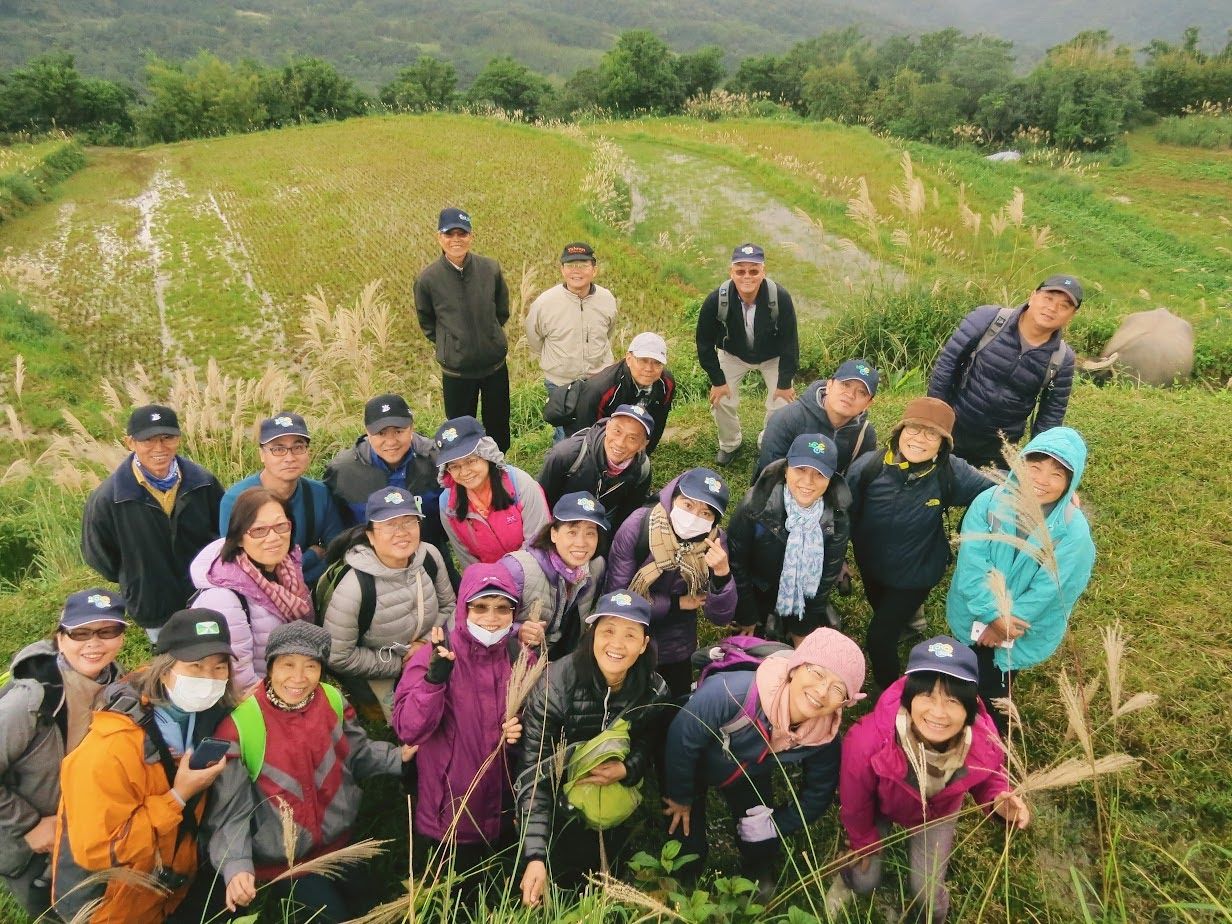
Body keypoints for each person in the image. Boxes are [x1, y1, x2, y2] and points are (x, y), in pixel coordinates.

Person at [206, 622, 408, 923]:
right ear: (270, 666)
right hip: (285, 864)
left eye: (311, 666)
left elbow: (358, 754)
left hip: (340, 845)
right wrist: (237, 866)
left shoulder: (332, 700)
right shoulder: (240, 726)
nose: (299, 678)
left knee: (382, 907)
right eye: (288, 664)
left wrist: (399, 757)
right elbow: (229, 812)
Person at [51, 607, 238, 924]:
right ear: (164, 670)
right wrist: (177, 796)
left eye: (219, 667)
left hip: (169, 888)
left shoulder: (207, 718)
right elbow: (99, 851)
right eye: (196, 666)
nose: (209, 678)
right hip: (113, 906)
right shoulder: (108, 749)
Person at [830, 637, 1030, 922]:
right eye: (927, 697)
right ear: (909, 699)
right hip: (880, 807)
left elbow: (990, 776)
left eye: (952, 700)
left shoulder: (983, 738)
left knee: (926, 893)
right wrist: (863, 839)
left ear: (970, 707)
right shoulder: (867, 741)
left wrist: (998, 798)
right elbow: (855, 801)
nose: (938, 713)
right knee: (864, 880)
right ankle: (846, 881)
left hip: (937, 814)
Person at [663, 629, 865, 895]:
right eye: (816, 673)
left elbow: (819, 793)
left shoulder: (823, 738)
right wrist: (680, 795)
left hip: (748, 771)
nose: (821, 691)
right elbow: (682, 738)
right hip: (695, 760)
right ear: (794, 669)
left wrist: (776, 824)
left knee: (761, 840)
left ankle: (757, 873)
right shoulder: (731, 692)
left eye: (838, 688)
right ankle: (683, 882)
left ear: (846, 702)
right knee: (686, 840)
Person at [517, 591, 669, 907]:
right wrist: (534, 854)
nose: (617, 643)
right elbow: (535, 772)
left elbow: (649, 738)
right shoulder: (557, 685)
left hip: (612, 801)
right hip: (560, 805)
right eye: (608, 631)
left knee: (601, 877)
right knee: (562, 880)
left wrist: (629, 768)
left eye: (630, 634)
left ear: (643, 644)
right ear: (592, 634)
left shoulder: (654, 690)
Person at [945, 427, 1095, 733]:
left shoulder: (1072, 530)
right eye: (1035, 466)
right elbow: (973, 563)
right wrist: (991, 614)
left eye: (1057, 473)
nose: (1041, 480)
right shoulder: (989, 502)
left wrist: (1005, 624)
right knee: (963, 676)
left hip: (1019, 627)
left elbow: (1054, 588)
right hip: (975, 611)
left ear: (1071, 481)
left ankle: (995, 747)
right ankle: (959, 730)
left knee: (995, 691)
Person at [846, 398, 994, 689]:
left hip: (918, 570)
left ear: (943, 444)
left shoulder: (952, 473)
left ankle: (894, 697)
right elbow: (842, 513)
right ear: (899, 431)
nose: (919, 439)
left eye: (931, 434)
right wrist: (839, 559)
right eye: (913, 429)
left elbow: (996, 492)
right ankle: (910, 624)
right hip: (871, 564)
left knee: (878, 638)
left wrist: (1052, 497)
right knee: (883, 611)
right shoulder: (869, 468)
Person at [391, 563, 527, 876]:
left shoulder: (522, 657)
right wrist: (434, 681)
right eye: (480, 607)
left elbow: (542, 721)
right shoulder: (435, 655)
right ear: (464, 608)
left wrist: (521, 725)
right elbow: (408, 727)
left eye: (502, 608)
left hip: (504, 810)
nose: (491, 618)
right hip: (448, 815)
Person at [0, 590, 127, 920]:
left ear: (122, 636)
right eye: (80, 633)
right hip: (32, 845)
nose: (94, 644)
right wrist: (28, 824)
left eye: (107, 631)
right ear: (61, 637)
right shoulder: (31, 700)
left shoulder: (116, 682)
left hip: (87, 834)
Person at [81, 404, 224, 641]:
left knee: (211, 656)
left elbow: (222, 535)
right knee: (167, 666)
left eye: (167, 437)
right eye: (148, 440)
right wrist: (138, 576)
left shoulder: (204, 483)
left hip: (207, 595)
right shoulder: (108, 498)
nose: (159, 447)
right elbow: (99, 556)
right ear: (130, 443)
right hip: (154, 604)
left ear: (178, 439)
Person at [321, 486, 455, 720]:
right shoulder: (354, 587)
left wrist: (424, 645)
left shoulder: (430, 557)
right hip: (380, 667)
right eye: (390, 525)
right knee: (401, 722)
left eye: (409, 522)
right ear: (371, 536)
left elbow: (448, 607)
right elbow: (339, 655)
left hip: (428, 650)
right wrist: (399, 664)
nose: (401, 532)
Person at [605, 468, 736, 697]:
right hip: (630, 632)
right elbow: (619, 601)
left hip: (677, 640)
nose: (694, 516)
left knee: (674, 703)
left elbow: (720, 617)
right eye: (688, 505)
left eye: (706, 513)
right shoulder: (638, 527)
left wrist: (722, 574)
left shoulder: (714, 543)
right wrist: (676, 603)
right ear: (672, 498)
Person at [928, 275, 1081, 468]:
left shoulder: (1062, 359)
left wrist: (1040, 465)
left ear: (1071, 315)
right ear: (1033, 296)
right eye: (1048, 298)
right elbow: (946, 365)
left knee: (985, 497)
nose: (1052, 308)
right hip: (953, 428)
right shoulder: (988, 319)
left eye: (1064, 306)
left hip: (999, 449)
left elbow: (1050, 416)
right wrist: (934, 420)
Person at [728, 434, 852, 644]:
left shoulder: (838, 517)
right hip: (759, 591)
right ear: (786, 470)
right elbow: (737, 564)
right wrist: (747, 616)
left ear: (830, 479)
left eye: (819, 474)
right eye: (800, 469)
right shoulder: (754, 506)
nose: (808, 481)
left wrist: (802, 628)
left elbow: (826, 579)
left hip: (804, 592)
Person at [190, 486, 315, 691]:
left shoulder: (288, 568)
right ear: (239, 537)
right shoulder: (224, 598)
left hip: (287, 685)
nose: (273, 537)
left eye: (281, 526)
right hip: (255, 701)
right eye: (259, 530)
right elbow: (240, 681)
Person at [322, 393, 453, 581]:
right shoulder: (343, 472)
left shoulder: (437, 459)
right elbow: (335, 525)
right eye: (381, 433)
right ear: (367, 432)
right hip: (370, 567)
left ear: (411, 428)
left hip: (430, 556)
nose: (391, 442)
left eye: (399, 431)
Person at [414, 206, 512, 452]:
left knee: (498, 427)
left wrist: (489, 336)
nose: (456, 240)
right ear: (439, 237)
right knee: (459, 431)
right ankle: (464, 471)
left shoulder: (490, 269)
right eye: (450, 234)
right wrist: (451, 345)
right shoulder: (428, 279)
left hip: (494, 367)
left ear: (471, 236)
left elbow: (501, 310)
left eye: (462, 234)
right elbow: (427, 321)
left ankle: (500, 471)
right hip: (457, 373)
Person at [695, 243, 800, 466]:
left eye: (753, 271)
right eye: (740, 271)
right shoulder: (717, 300)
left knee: (782, 402)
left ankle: (768, 442)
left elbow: (790, 343)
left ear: (763, 271)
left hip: (772, 357)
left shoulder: (780, 298)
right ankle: (730, 444)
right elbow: (703, 343)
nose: (747, 277)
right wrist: (718, 380)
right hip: (733, 355)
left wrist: (784, 383)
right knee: (721, 399)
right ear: (731, 272)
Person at [219, 411, 343, 586]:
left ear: (308, 452)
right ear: (262, 454)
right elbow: (237, 565)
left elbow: (335, 550)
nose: (289, 458)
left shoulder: (319, 493)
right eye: (278, 449)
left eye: (298, 447)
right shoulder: (235, 500)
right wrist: (310, 557)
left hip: (311, 591)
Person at [524, 241, 619, 442]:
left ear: (594, 269)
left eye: (583, 265)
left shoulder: (607, 299)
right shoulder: (544, 303)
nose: (577, 271)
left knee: (600, 431)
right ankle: (565, 470)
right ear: (562, 269)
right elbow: (535, 339)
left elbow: (608, 332)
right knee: (565, 437)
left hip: (599, 379)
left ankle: (597, 468)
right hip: (560, 383)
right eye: (571, 265)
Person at [501, 491, 609, 659]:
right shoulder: (517, 569)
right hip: (516, 659)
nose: (581, 543)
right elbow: (477, 619)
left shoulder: (595, 567)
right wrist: (518, 631)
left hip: (559, 657)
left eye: (590, 533)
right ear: (554, 534)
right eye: (572, 532)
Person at [435, 416, 550, 569]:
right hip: (491, 584)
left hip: (534, 571)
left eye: (471, 461)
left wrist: (509, 577)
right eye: (454, 466)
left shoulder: (521, 485)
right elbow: (467, 560)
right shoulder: (448, 505)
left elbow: (538, 544)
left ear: (486, 455)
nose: (464, 472)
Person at [536, 403, 652, 536]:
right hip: (562, 522)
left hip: (602, 523)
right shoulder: (566, 455)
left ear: (643, 445)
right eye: (617, 431)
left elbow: (627, 517)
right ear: (607, 427)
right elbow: (542, 502)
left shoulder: (642, 470)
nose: (620, 443)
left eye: (632, 438)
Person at [756, 360, 879, 478]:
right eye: (845, 384)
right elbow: (769, 476)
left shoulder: (865, 435)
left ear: (868, 403)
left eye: (862, 392)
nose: (850, 395)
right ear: (829, 385)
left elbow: (860, 480)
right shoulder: (787, 418)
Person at [567, 332, 677, 452]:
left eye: (657, 363)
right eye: (643, 360)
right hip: (594, 434)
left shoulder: (667, 383)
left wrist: (644, 454)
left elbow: (658, 422)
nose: (649, 369)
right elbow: (587, 433)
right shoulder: (600, 389)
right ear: (629, 359)